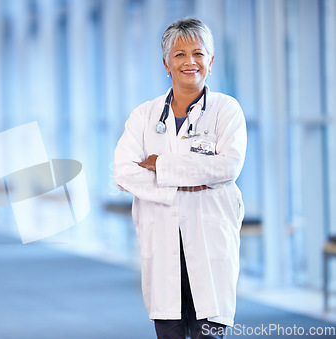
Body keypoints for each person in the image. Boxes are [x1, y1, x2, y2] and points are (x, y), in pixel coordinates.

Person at [114, 18, 247, 339]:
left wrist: (160, 165)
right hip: (162, 241)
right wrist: (189, 182)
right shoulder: (144, 116)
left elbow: (228, 168)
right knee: (169, 331)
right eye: (179, 54)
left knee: (209, 333)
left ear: (211, 62)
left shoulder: (226, 110)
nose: (190, 62)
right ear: (166, 63)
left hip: (209, 240)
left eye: (198, 54)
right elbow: (124, 172)